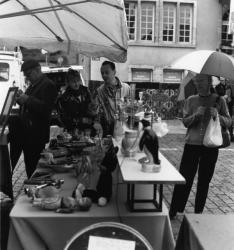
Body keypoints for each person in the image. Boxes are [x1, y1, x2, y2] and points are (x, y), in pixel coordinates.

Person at [169, 74, 232, 219]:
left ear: (209, 82)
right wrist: (196, 116)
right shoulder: (191, 100)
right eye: (197, 81)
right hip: (192, 145)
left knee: (204, 181)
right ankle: (175, 210)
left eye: (201, 81)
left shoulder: (219, 100)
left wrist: (218, 116)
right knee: (184, 178)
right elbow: (185, 122)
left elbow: (229, 121)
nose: (198, 84)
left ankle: (198, 213)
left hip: (210, 146)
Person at [8, 59, 58, 178]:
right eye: (25, 75)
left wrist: (27, 99)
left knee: (34, 167)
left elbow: (46, 109)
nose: (27, 78)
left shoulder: (48, 85)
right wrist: (21, 100)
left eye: (28, 74)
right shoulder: (33, 85)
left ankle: (35, 191)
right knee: (29, 166)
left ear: (38, 70)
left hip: (36, 135)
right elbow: (30, 106)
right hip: (27, 134)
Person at [95, 60, 130, 137]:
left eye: (107, 72)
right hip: (108, 129)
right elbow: (97, 111)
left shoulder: (126, 88)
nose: (104, 75)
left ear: (114, 72)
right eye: (102, 73)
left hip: (123, 128)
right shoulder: (100, 91)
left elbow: (131, 108)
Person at [56, 69, 97, 136]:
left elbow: (92, 107)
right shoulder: (64, 98)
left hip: (88, 130)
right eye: (73, 82)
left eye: (78, 80)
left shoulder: (85, 91)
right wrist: (80, 120)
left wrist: (93, 112)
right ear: (68, 82)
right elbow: (63, 119)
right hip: (73, 132)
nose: (76, 83)